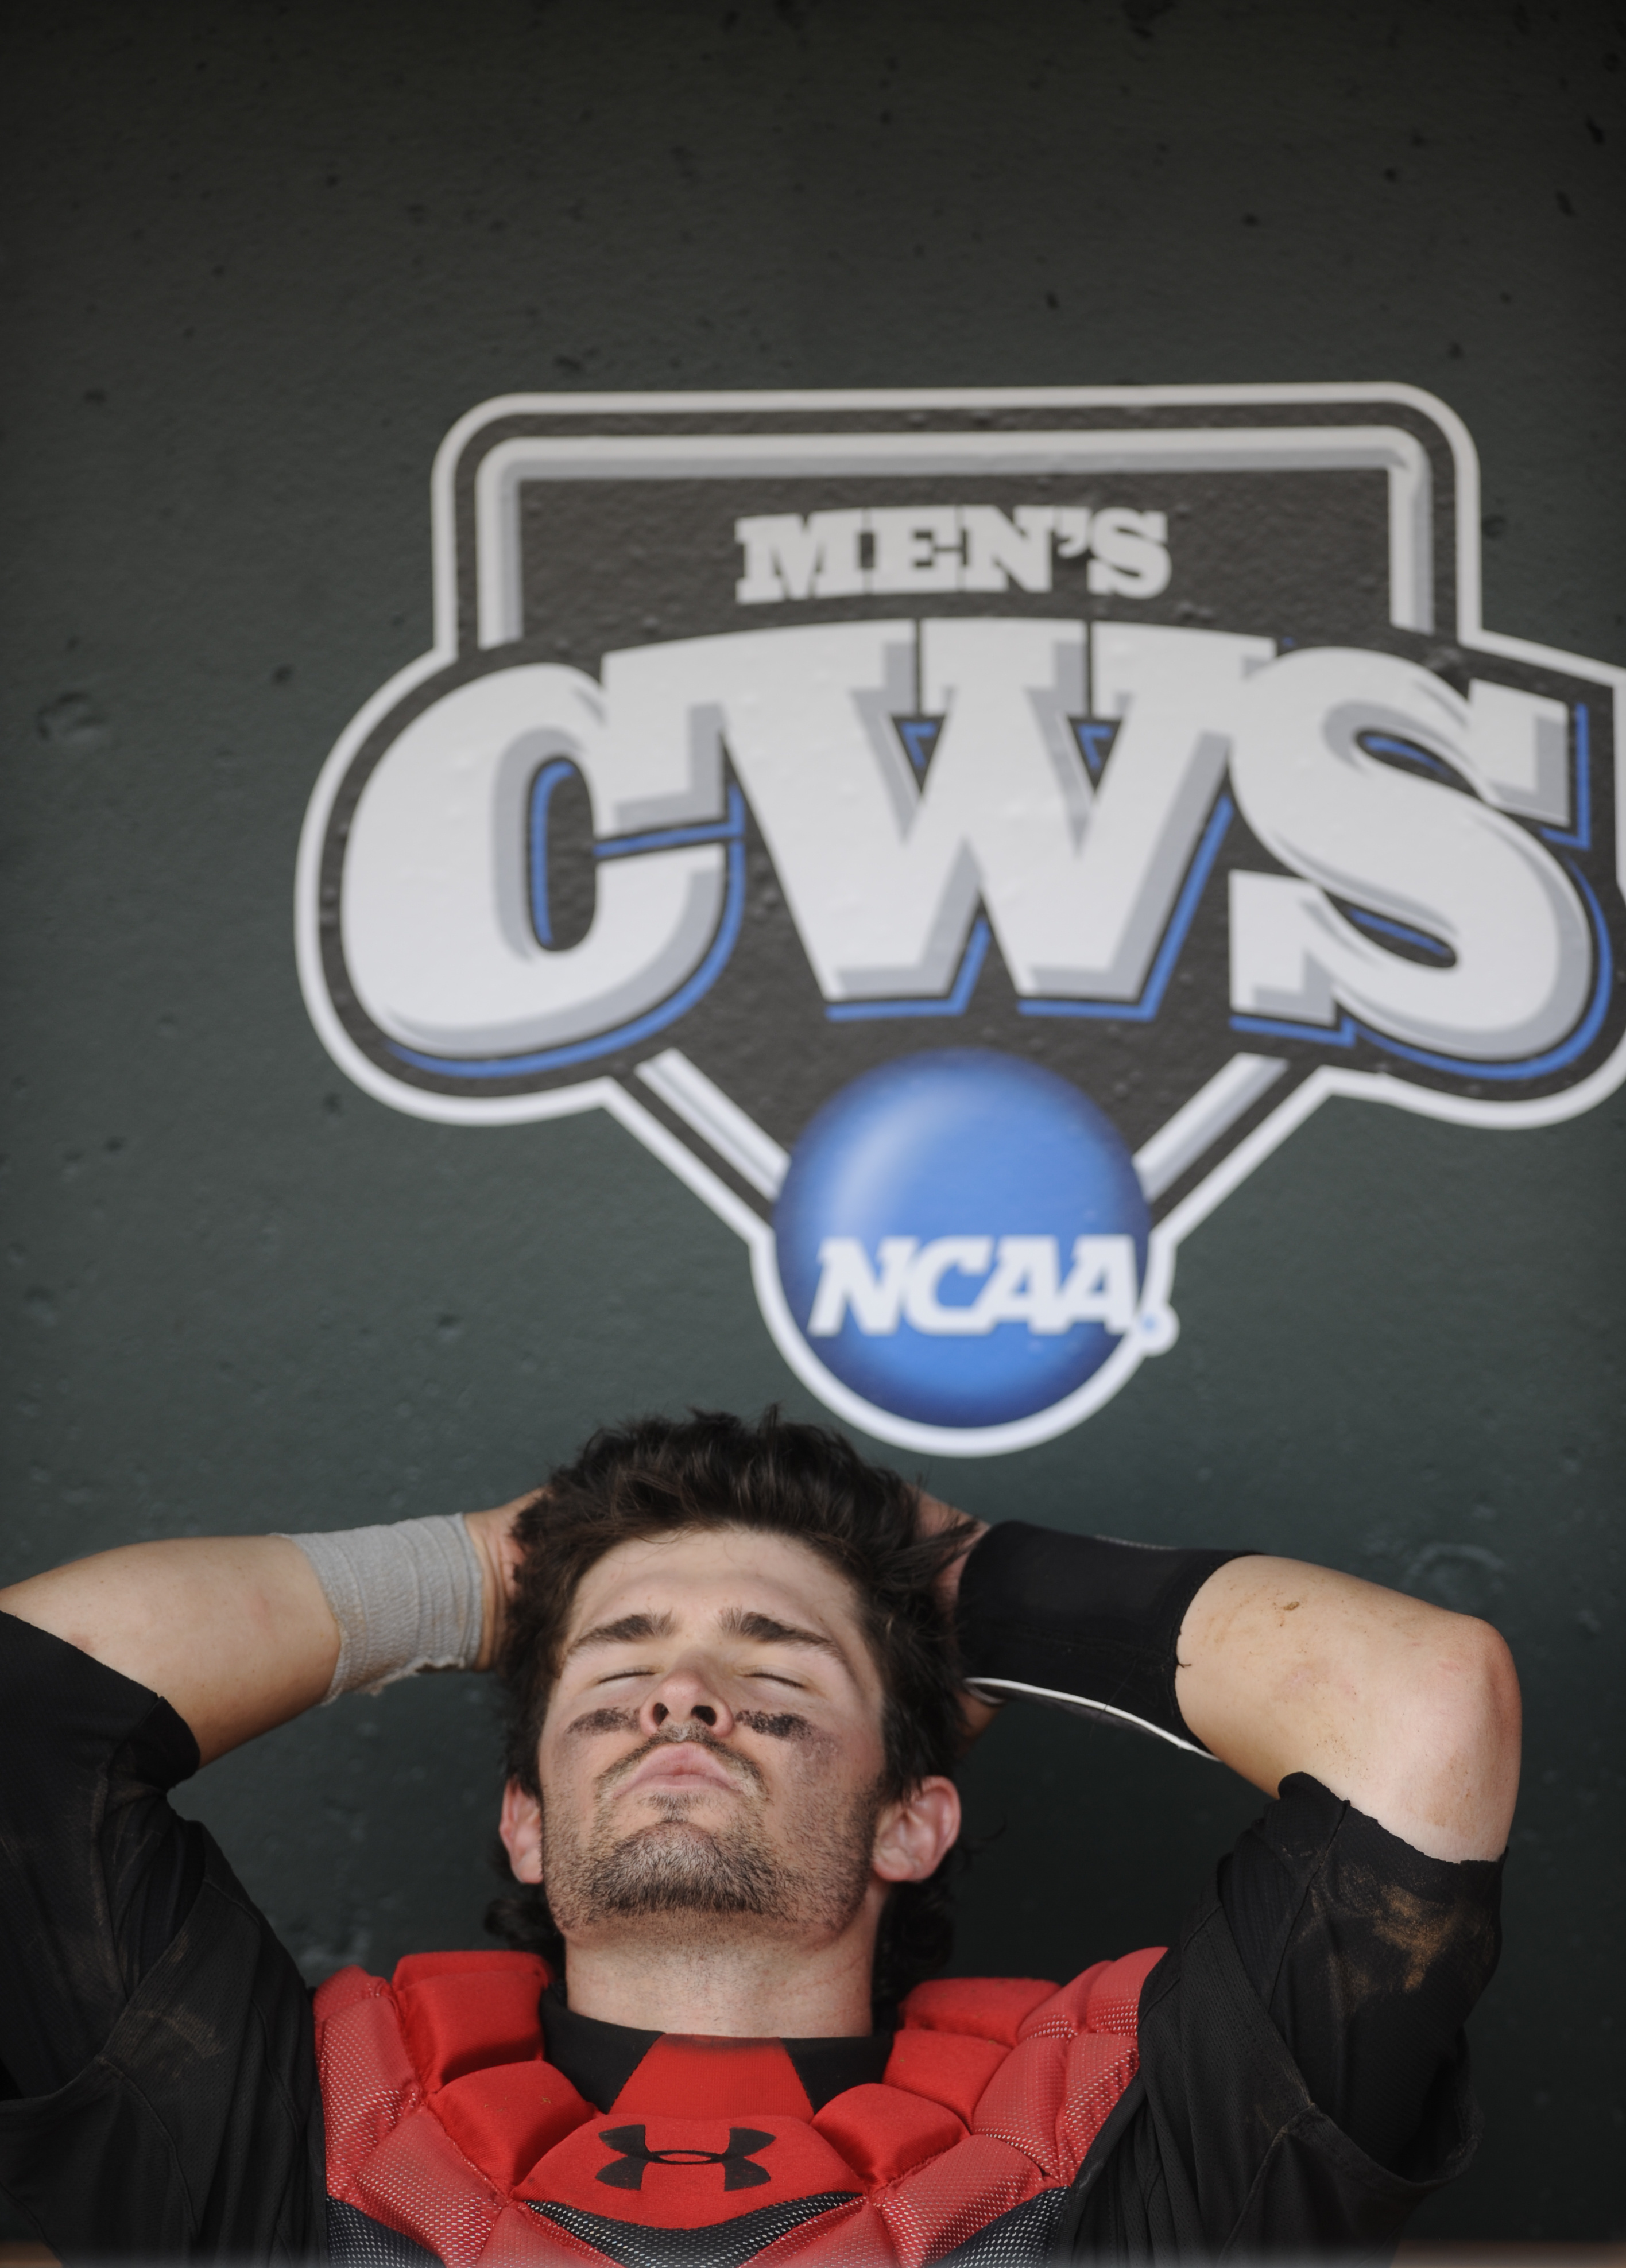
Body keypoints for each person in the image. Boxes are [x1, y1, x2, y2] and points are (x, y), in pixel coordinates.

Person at [0, 1409, 1517, 2263]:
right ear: (523, 1820)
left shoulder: (1137, 2141)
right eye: (618, 1670)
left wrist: (958, 1580)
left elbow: (1422, 1704)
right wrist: (470, 1575)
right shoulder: (277, 2134)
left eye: (775, 1670)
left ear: (913, 1818)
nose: (683, 1695)